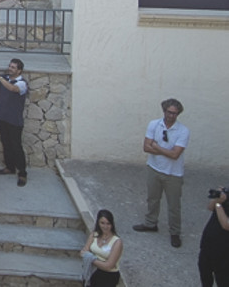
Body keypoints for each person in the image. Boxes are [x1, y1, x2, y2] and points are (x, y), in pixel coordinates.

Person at [133, 97, 189, 248]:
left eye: (175, 113)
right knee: (153, 199)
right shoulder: (154, 124)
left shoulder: (183, 131)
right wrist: (165, 151)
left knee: (174, 205)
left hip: (173, 174)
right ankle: (151, 223)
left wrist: (157, 148)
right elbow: (146, 147)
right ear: (164, 111)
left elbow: (175, 155)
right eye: (169, 112)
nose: (171, 116)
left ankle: (175, 232)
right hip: (154, 168)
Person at [0, 58, 28, 186]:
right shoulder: (4, 78)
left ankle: (22, 173)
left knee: (16, 147)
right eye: (10, 66)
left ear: (19, 70)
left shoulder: (22, 83)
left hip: (14, 120)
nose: (10, 68)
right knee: (6, 143)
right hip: (3, 117)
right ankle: (10, 167)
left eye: (13, 67)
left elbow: (13, 89)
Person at [81, 209, 123, 286]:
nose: (105, 226)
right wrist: (97, 261)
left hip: (109, 276)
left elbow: (108, 266)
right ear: (98, 223)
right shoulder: (94, 235)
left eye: (108, 224)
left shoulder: (117, 242)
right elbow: (83, 252)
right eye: (102, 223)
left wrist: (92, 259)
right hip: (94, 272)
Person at [199, 186, 229, 286]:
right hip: (208, 242)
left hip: (224, 250)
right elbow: (210, 207)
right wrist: (217, 198)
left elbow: (226, 225)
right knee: (204, 272)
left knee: (222, 279)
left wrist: (218, 203)